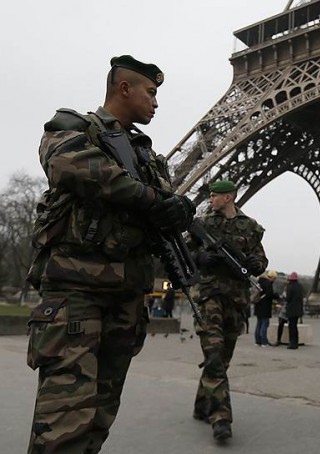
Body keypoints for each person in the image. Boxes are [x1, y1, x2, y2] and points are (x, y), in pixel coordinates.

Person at [24, 55, 195, 453]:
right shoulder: (72, 128)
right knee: (63, 426)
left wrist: (180, 210)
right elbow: (71, 165)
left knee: (98, 420)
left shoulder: (149, 158)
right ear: (124, 88)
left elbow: (161, 211)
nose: (156, 102)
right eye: (151, 93)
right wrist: (155, 200)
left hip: (126, 300)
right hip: (77, 295)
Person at [190, 180, 267, 442]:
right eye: (210, 195)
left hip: (236, 300)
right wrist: (200, 258)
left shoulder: (251, 227)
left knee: (222, 359)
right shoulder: (201, 224)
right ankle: (220, 418)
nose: (210, 199)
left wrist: (256, 263)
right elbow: (184, 252)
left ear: (229, 197)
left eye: (215, 195)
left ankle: (203, 404)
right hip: (208, 295)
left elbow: (260, 258)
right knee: (213, 356)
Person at [254, 270, 277, 346]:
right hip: (265, 307)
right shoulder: (268, 284)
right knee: (264, 324)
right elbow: (270, 295)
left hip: (258, 305)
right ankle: (264, 341)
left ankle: (258, 341)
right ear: (272, 277)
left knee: (259, 324)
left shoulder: (259, 282)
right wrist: (276, 296)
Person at [284, 272, 304, 349]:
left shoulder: (290, 287)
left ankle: (292, 343)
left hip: (291, 309)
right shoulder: (300, 287)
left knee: (291, 326)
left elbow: (288, 298)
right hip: (298, 309)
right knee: (295, 326)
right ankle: (296, 342)